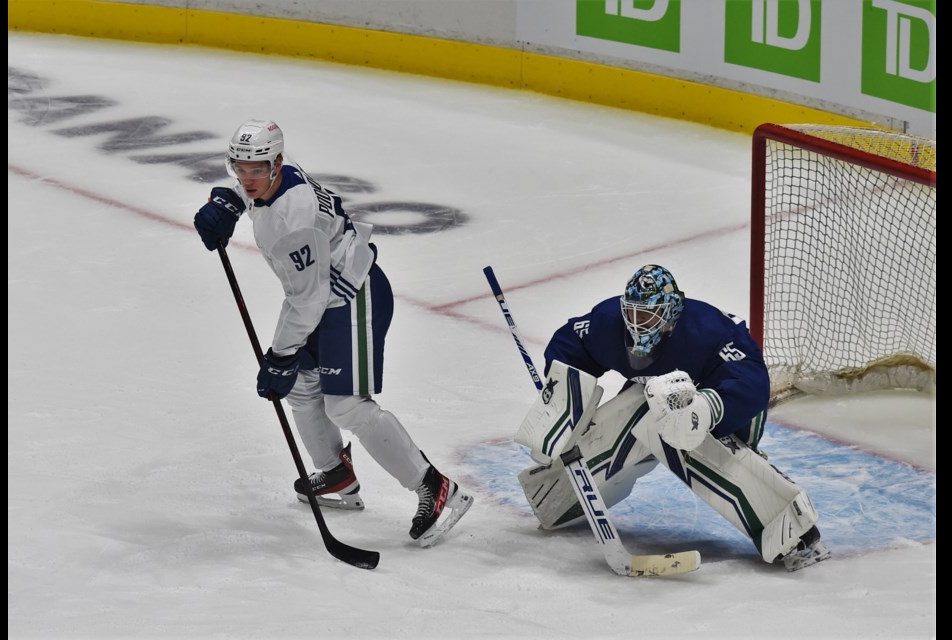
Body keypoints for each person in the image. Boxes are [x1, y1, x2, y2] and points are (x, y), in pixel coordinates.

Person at [192, 119, 472, 547]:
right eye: (239, 168)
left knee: (345, 405)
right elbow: (249, 196)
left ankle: (435, 488)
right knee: (302, 388)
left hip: (352, 298)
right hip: (326, 296)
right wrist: (224, 200)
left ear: (277, 163)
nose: (247, 177)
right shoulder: (273, 180)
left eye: (256, 169)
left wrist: (280, 355)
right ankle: (338, 475)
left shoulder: (293, 220)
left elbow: (308, 300)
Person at [514, 264, 830, 571]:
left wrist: (706, 410)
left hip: (727, 414)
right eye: (633, 312)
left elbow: (752, 383)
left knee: (671, 418)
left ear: (671, 313)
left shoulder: (709, 329)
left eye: (649, 314)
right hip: (656, 405)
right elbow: (569, 344)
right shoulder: (608, 323)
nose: (638, 323)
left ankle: (790, 528)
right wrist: (563, 403)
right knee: (645, 404)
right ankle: (557, 494)